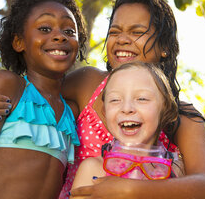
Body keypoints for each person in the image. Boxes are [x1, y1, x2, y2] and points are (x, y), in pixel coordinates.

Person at [0, 0, 205, 199]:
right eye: (115, 32)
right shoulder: (88, 83)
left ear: (164, 47)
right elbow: (37, 92)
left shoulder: (181, 115)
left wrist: (128, 191)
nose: (122, 40)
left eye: (137, 32)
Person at [0, 0, 87, 199]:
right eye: (45, 28)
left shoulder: (71, 113)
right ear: (19, 43)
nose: (59, 36)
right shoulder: (8, 86)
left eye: (69, 31)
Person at [71, 62, 181, 195]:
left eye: (142, 98)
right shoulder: (93, 168)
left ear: (166, 109)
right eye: (115, 100)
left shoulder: (177, 171)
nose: (127, 108)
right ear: (105, 111)